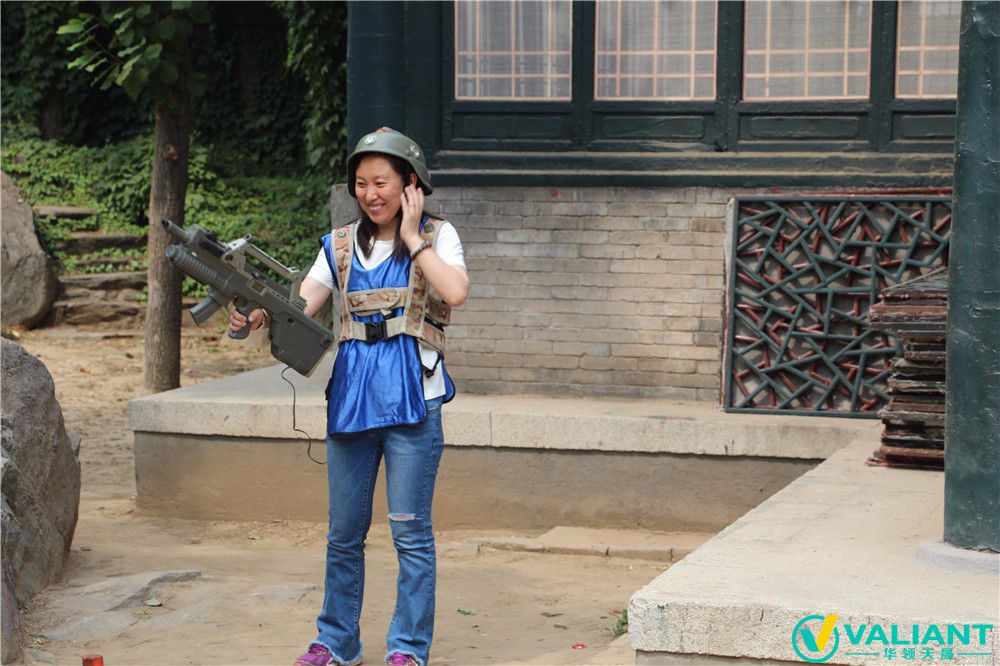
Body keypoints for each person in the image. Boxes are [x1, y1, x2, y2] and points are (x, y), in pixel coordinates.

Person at [230, 127, 469, 666]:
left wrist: (412, 238)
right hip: (354, 398)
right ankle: (337, 642)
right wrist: (258, 314)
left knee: (411, 534)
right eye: (361, 183)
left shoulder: (438, 236)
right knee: (343, 534)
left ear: (410, 184)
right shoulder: (339, 245)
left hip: (416, 401)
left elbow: (455, 291)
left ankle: (407, 648)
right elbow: (302, 304)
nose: (370, 194)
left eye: (382, 182)